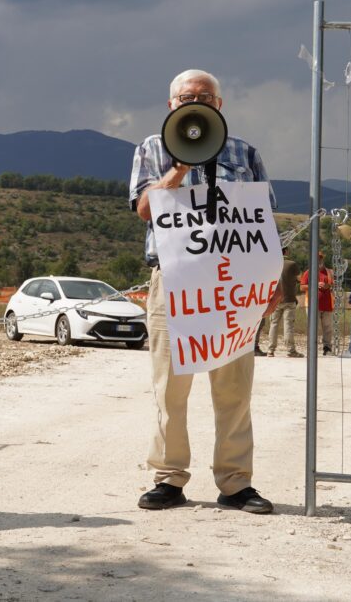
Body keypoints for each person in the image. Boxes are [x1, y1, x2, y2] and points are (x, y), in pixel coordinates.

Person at [129, 69, 280, 514]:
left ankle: (235, 482)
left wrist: (269, 281)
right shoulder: (152, 148)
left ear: (219, 104)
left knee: (234, 388)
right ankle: (168, 477)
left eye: (204, 96)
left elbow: (264, 222)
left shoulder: (245, 152)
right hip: (174, 282)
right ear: (172, 104)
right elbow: (143, 209)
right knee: (169, 388)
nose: (195, 101)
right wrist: (181, 166)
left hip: (232, 284)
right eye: (186, 96)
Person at [300, 251, 334, 355]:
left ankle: (327, 348)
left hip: (327, 304)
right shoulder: (308, 272)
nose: (318, 260)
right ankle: (312, 348)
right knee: (314, 328)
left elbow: (333, 284)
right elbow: (302, 287)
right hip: (312, 305)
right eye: (316, 258)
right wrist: (314, 284)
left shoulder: (329, 272)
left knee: (328, 328)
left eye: (320, 258)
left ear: (322, 259)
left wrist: (328, 286)